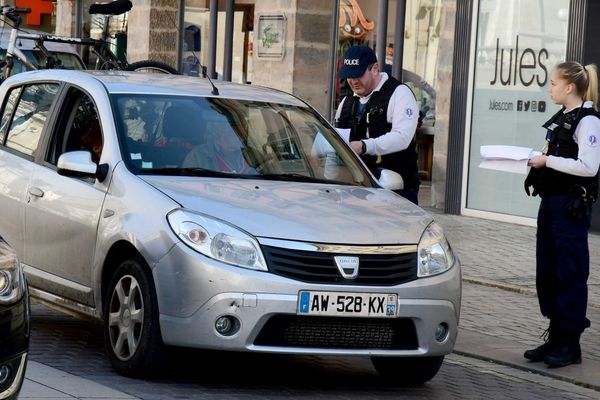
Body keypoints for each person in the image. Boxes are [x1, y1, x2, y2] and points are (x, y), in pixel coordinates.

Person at [524, 61, 600, 368]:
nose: (549, 88)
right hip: (552, 204)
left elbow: (589, 167)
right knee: (549, 271)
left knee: (570, 272)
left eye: (553, 83)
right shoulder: (564, 118)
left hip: (570, 207)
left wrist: (548, 161)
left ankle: (570, 344)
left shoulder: (589, 121)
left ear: (570, 87)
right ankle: (555, 337)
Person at [334, 45, 420, 204]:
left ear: (374, 69)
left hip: (396, 191)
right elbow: (334, 145)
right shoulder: (347, 102)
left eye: (357, 75)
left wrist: (364, 146)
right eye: (349, 75)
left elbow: (402, 137)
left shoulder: (399, 93)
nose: (353, 81)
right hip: (353, 190)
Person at [183, 120, 255, 173]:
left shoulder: (253, 153)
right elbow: (190, 183)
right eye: (235, 133)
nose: (242, 136)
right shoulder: (198, 155)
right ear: (221, 135)